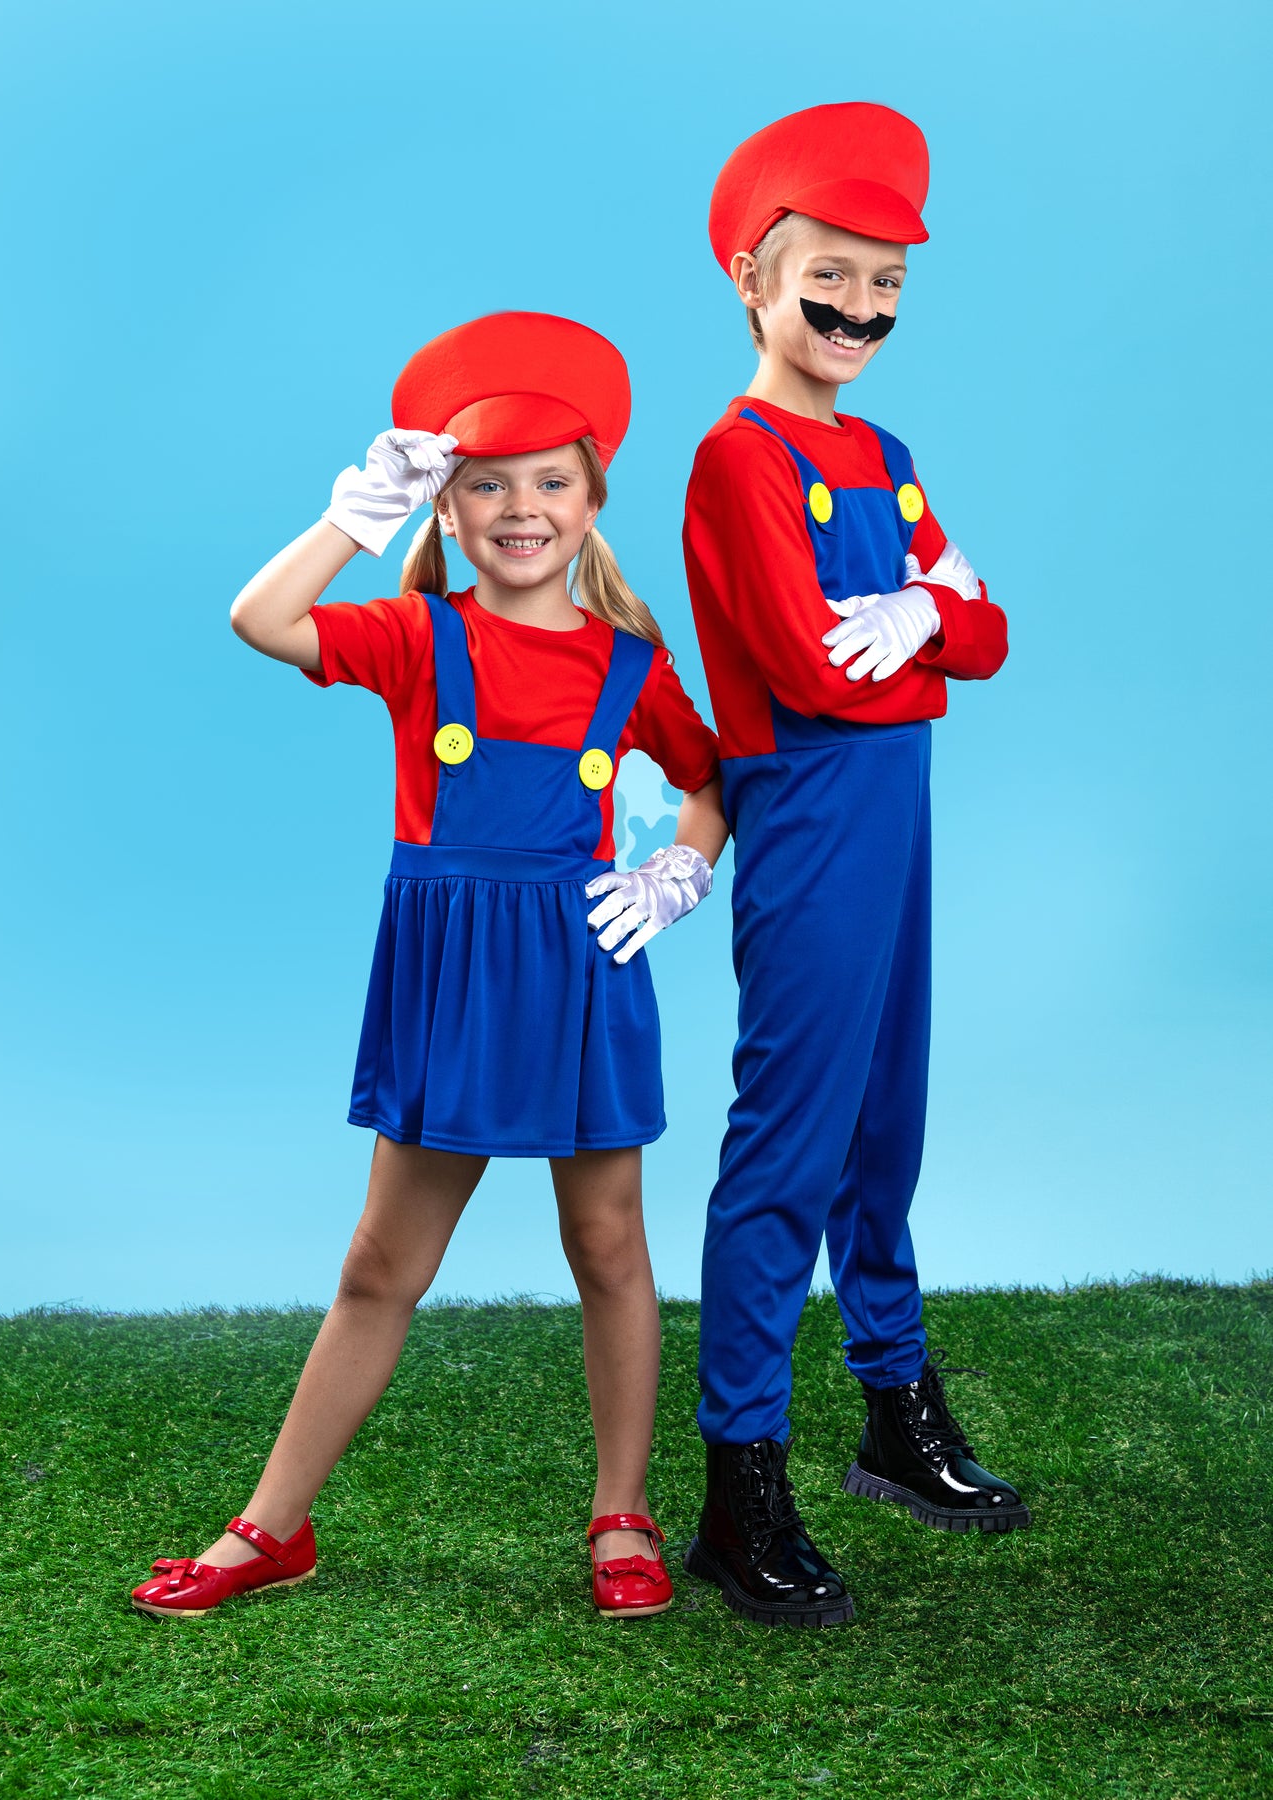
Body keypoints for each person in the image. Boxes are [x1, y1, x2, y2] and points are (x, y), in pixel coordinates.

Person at [130, 313, 725, 1622]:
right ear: (445, 509)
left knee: (609, 1248)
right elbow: (261, 617)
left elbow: (710, 782)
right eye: (486, 485)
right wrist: (353, 515)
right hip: (450, 979)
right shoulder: (415, 638)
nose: (522, 509)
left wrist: (677, 873)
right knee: (380, 1267)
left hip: (579, 974)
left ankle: (622, 1514)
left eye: (550, 482)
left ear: (592, 501)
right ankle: (269, 1527)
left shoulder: (632, 666)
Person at [680, 103, 1026, 1630]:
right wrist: (932, 618)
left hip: (899, 814)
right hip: (811, 815)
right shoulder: (734, 457)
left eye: (886, 283)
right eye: (830, 275)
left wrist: (931, 619)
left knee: (886, 1131)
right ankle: (738, 1481)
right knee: (790, 1148)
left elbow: (990, 634)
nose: (860, 309)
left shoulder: (882, 453)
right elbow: (809, 668)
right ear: (754, 278)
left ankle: (894, 1412)